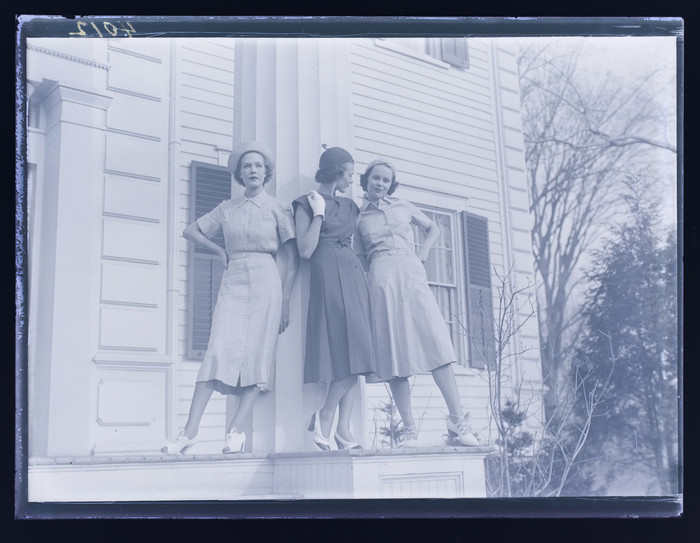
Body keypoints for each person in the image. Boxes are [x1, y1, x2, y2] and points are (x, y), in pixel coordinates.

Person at [161, 141, 297, 455]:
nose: (253, 170)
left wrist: (286, 299)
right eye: (247, 166)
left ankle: (236, 431)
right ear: (240, 173)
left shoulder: (277, 208)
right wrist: (219, 250)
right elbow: (191, 231)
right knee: (217, 349)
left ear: (266, 172)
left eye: (258, 166)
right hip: (233, 279)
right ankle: (189, 432)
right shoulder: (227, 208)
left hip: (266, 280)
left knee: (258, 354)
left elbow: (292, 258)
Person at [354, 158, 479, 447]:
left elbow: (433, 228)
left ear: (391, 184)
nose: (380, 183)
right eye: (376, 178)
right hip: (380, 279)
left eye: (386, 180)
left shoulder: (403, 205)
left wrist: (423, 253)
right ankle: (409, 430)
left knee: (436, 343)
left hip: (411, 273)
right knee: (393, 357)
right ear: (367, 180)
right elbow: (361, 259)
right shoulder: (359, 219)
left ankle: (457, 419)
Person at [293, 146, 376, 451]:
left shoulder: (351, 206)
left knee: (360, 352)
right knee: (348, 352)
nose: (352, 180)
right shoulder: (305, 203)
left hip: (353, 275)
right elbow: (305, 250)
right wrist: (318, 214)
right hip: (327, 273)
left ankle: (342, 428)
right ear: (338, 171)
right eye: (350, 174)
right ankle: (326, 415)